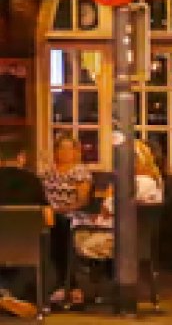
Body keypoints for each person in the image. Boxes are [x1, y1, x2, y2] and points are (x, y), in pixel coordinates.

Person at [0, 138, 53, 319]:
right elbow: (49, 219)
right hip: (28, 249)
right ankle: (25, 299)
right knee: (45, 247)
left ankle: (4, 296)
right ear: (21, 157)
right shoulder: (33, 181)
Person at [42, 133, 92, 307]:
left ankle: (66, 285)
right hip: (48, 214)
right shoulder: (48, 171)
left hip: (71, 214)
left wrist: (62, 209)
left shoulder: (80, 171)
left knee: (60, 226)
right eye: (60, 148)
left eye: (68, 148)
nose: (64, 152)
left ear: (76, 152)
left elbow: (83, 201)